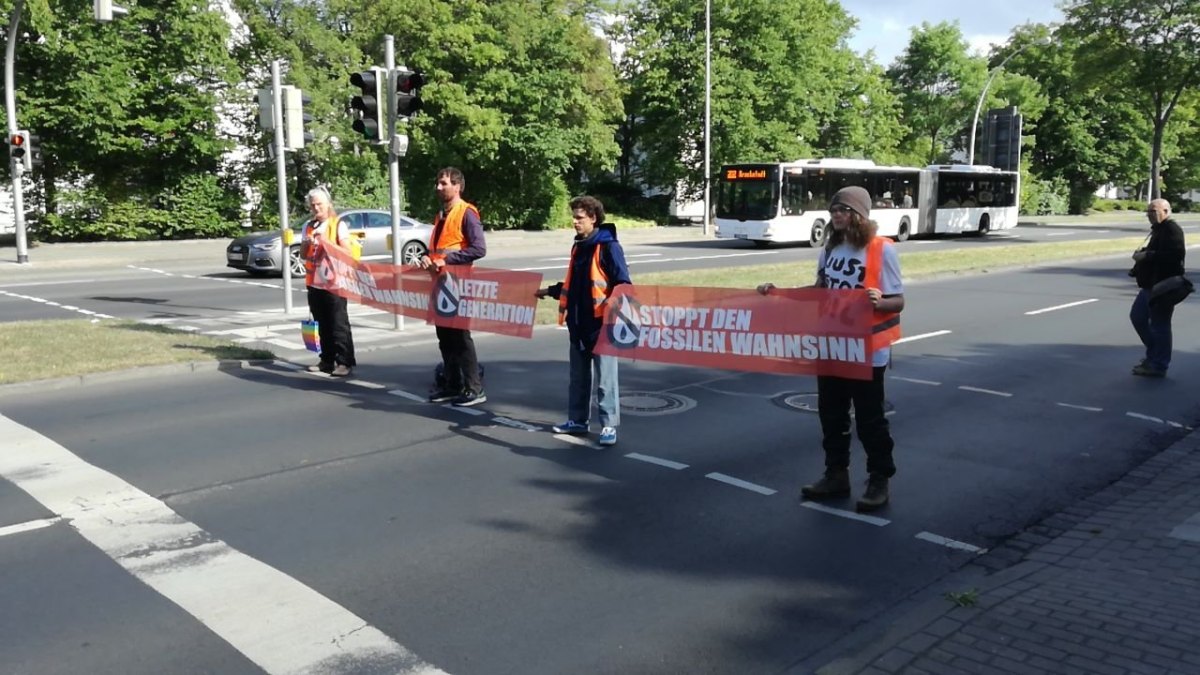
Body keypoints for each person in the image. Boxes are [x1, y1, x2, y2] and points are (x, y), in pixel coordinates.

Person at [757, 186, 904, 512]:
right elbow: (819, 291)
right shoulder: (830, 249)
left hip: (866, 350)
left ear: (860, 216)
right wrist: (778, 292)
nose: (837, 215)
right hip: (832, 344)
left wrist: (880, 301)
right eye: (834, 209)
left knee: (870, 419)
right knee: (831, 414)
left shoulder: (881, 250)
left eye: (844, 210)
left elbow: (900, 300)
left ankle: (879, 479)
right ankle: (836, 474)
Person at [535, 196, 631, 447]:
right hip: (578, 323)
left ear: (593, 218)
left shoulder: (609, 247)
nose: (574, 222)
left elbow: (623, 282)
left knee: (606, 379)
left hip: (601, 324)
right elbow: (574, 285)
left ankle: (609, 425)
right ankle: (578, 420)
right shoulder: (579, 246)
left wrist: (614, 302)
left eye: (579, 218)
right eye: (574, 217)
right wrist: (549, 291)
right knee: (578, 377)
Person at [419, 167, 488, 406]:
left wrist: (445, 260)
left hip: (458, 283)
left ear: (457, 186)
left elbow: (478, 249)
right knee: (445, 337)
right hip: (441, 283)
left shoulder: (466, 212)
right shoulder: (441, 216)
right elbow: (438, 249)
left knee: (460, 336)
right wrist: (427, 258)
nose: (439, 187)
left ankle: (474, 388)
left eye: (444, 183)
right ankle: (452, 384)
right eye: (438, 183)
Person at [301, 187, 357, 377]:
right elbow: (302, 255)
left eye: (320, 204)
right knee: (321, 323)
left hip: (335, 282)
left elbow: (347, 253)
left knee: (338, 323)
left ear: (328, 205)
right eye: (313, 205)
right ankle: (326, 360)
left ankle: (344, 361)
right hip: (315, 283)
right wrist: (307, 243)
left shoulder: (337, 225)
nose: (316, 208)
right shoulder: (308, 226)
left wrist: (327, 243)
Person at [1129, 198, 1185, 378]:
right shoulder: (1158, 230)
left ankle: (1159, 364)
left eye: (1154, 211)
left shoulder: (1172, 229)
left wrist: (1148, 255)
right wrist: (1143, 254)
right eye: (1149, 211)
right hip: (1149, 285)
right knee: (1138, 317)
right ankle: (1154, 355)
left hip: (1163, 286)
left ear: (1166, 211)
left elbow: (1176, 255)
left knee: (1160, 326)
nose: (1150, 215)